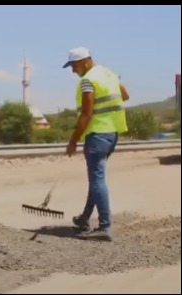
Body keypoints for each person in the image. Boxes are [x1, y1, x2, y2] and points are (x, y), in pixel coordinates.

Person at [63, 47, 129, 241]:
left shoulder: (87, 81)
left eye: (74, 66)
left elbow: (86, 114)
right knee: (96, 178)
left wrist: (73, 141)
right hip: (112, 134)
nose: (73, 70)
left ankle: (105, 227)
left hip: (97, 134)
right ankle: (84, 218)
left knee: (97, 179)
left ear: (84, 61)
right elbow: (125, 95)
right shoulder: (108, 73)